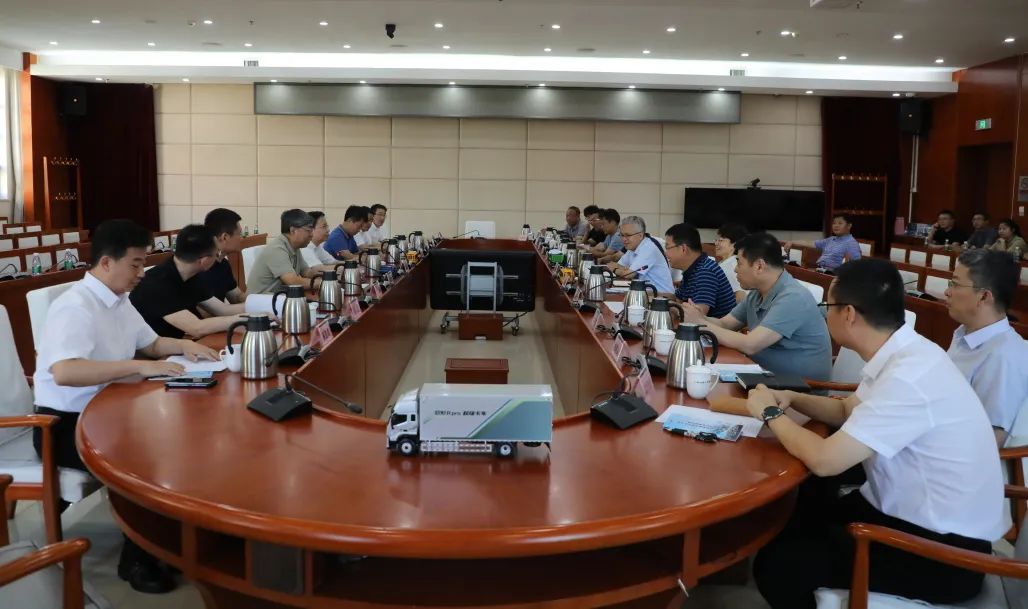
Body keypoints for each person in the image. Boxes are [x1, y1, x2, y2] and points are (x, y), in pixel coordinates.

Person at [749, 258, 1006, 609]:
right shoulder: (905, 353)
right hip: (909, 512)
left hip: (944, 554)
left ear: (849, 314)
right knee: (803, 501)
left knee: (778, 566)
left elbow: (825, 460)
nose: (825, 316)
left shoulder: (909, 377)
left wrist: (770, 413)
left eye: (827, 307)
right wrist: (794, 398)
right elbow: (846, 410)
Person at [32, 219, 220, 594]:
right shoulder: (75, 306)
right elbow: (66, 371)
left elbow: (151, 344)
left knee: (187, 434)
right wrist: (137, 366)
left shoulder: (119, 300)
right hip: (66, 425)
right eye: (135, 264)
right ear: (106, 262)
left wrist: (185, 346)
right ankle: (137, 558)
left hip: (111, 411)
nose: (142, 272)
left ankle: (169, 536)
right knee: (148, 455)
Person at [680, 232, 832, 381]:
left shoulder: (793, 297)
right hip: (762, 376)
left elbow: (751, 344)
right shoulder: (757, 293)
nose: (735, 269)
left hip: (798, 389)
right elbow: (725, 324)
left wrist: (701, 323)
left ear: (759, 266)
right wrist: (699, 316)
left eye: (739, 263)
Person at [945, 249, 1028, 446]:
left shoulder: (1002, 357)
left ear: (984, 297)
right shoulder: (964, 334)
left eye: (955, 284)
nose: (947, 292)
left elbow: (990, 440)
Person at [130, 224, 247, 339]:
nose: (218, 257)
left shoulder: (191, 274)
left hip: (175, 343)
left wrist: (256, 308)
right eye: (216, 253)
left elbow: (222, 310)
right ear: (204, 260)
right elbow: (196, 328)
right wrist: (242, 320)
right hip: (148, 349)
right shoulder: (157, 283)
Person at [246, 209, 333, 294]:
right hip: (261, 298)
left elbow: (306, 272)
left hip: (277, 295)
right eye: (308, 230)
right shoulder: (277, 249)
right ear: (293, 230)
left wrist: (328, 276)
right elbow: (293, 282)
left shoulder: (294, 246)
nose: (311, 235)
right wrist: (323, 283)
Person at [663, 223, 735, 318]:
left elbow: (697, 316)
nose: (665, 253)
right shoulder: (694, 268)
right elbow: (677, 299)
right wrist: (652, 295)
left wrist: (662, 305)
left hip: (715, 327)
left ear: (683, 249)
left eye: (667, 248)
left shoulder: (705, 272)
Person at [604, 216, 674, 293]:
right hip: (645, 292)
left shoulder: (648, 247)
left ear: (640, 236)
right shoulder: (633, 247)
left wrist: (615, 269)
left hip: (661, 295)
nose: (624, 239)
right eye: (622, 235)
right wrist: (622, 270)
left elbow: (627, 274)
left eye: (628, 235)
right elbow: (619, 265)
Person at [199, 208, 246, 304]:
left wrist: (259, 287)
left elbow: (236, 298)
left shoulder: (223, 264)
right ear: (225, 237)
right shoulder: (200, 268)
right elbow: (210, 312)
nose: (241, 238)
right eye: (239, 234)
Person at [784, 213, 862, 271]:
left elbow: (856, 267)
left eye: (840, 223)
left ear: (849, 226)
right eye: (834, 223)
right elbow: (811, 243)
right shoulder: (831, 239)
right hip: (819, 270)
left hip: (833, 276)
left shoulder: (851, 244)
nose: (836, 226)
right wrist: (792, 242)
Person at [714, 223, 748, 301]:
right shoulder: (726, 263)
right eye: (716, 240)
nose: (716, 243)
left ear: (734, 244)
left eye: (721, 240)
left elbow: (740, 295)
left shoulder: (731, 265)